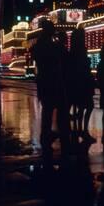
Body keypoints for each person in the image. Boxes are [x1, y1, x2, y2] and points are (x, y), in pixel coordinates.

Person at [31, 20, 70, 152]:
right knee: (60, 109)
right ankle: (58, 134)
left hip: (44, 81)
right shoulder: (52, 46)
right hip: (53, 81)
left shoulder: (38, 46)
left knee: (47, 110)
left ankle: (45, 134)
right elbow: (62, 57)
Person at [68, 28, 97, 143]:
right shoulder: (80, 51)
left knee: (81, 108)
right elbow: (82, 67)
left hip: (77, 83)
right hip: (83, 83)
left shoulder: (73, 50)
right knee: (88, 106)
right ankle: (84, 130)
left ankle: (80, 129)